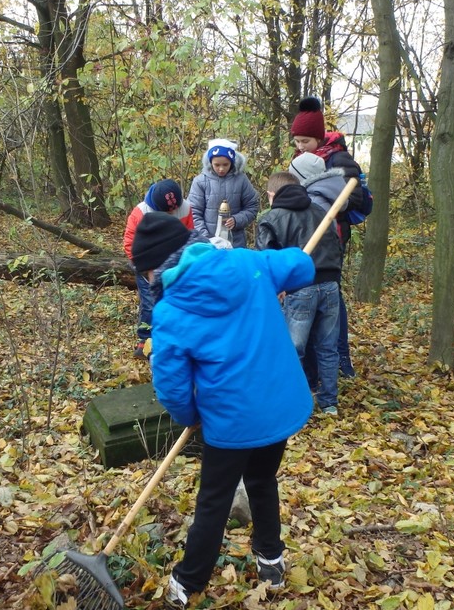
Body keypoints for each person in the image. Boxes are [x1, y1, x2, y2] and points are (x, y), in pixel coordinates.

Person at [130, 212, 315, 607]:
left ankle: (187, 582)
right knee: (263, 481)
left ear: (155, 268)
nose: (146, 283)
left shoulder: (170, 313)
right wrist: (276, 273)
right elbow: (302, 264)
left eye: (144, 274)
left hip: (231, 421)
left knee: (214, 502)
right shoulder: (247, 262)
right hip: (278, 408)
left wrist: (189, 415)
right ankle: (271, 559)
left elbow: (172, 386)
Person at [257, 171, 343, 415]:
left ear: (271, 195)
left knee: (293, 349)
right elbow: (337, 247)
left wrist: (276, 288)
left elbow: (266, 258)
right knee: (327, 347)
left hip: (299, 289)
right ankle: (329, 403)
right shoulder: (321, 212)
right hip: (330, 286)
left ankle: (291, 403)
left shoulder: (272, 218)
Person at [290, 96, 364, 378]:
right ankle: (311, 364)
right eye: (297, 141)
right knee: (306, 296)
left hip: (331, 237)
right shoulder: (301, 159)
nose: (300, 147)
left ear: (318, 138)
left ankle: (341, 358)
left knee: (331, 297)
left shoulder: (339, 157)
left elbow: (352, 196)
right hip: (305, 235)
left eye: (305, 141)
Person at [123, 179, 194, 358]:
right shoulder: (141, 212)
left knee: (175, 301)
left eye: (174, 208)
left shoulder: (185, 208)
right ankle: (144, 340)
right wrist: (144, 267)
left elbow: (190, 235)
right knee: (149, 303)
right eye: (167, 210)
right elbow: (130, 243)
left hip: (175, 265)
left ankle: (173, 337)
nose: (172, 212)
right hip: (148, 265)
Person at [188, 139, 260, 249]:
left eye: (225, 164)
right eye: (217, 165)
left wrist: (237, 220)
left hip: (236, 243)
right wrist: (206, 239)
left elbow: (252, 206)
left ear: (232, 162)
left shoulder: (241, 180)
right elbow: (194, 213)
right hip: (208, 244)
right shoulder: (200, 181)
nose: (221, 169)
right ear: (210, 162)